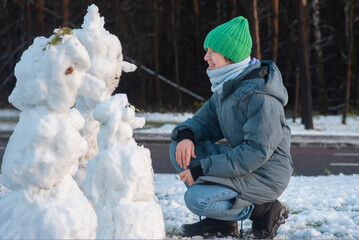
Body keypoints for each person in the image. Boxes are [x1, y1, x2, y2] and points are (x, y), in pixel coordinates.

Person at [169, 16, 293, 239]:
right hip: (245, 165)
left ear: (230, 56)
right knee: (179, 148)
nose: (206, 57)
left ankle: (265, 210)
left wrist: (202, 169)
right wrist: (186, 135)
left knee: (197, 199)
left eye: (211, 52)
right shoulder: (228, 88)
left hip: (265, 174)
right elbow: (203, 122)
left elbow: (254, 153)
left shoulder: (260, 97)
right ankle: (222, 224)